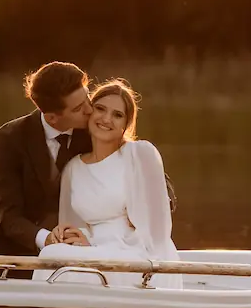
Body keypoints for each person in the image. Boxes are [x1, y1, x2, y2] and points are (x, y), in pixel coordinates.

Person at [0, 61, 93, 257]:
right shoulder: (10, 137)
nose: (89, 109)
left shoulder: (94, 132)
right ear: (52, 117)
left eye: (87, 97)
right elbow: (8, 214)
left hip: (71, 247)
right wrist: (45, 239)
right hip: (14, 248)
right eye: (79, 108)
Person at [42, 79, 177, 261]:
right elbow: (74, 227)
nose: (106, 119)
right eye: (100, 109)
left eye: (117, 115)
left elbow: (157, 229)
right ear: (89, 112)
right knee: (51, 254)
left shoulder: (139, 153)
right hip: (94, 249)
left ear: (126, 124)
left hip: (136, 251)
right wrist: (74, 236)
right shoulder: (73, 168)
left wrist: (147, 261)